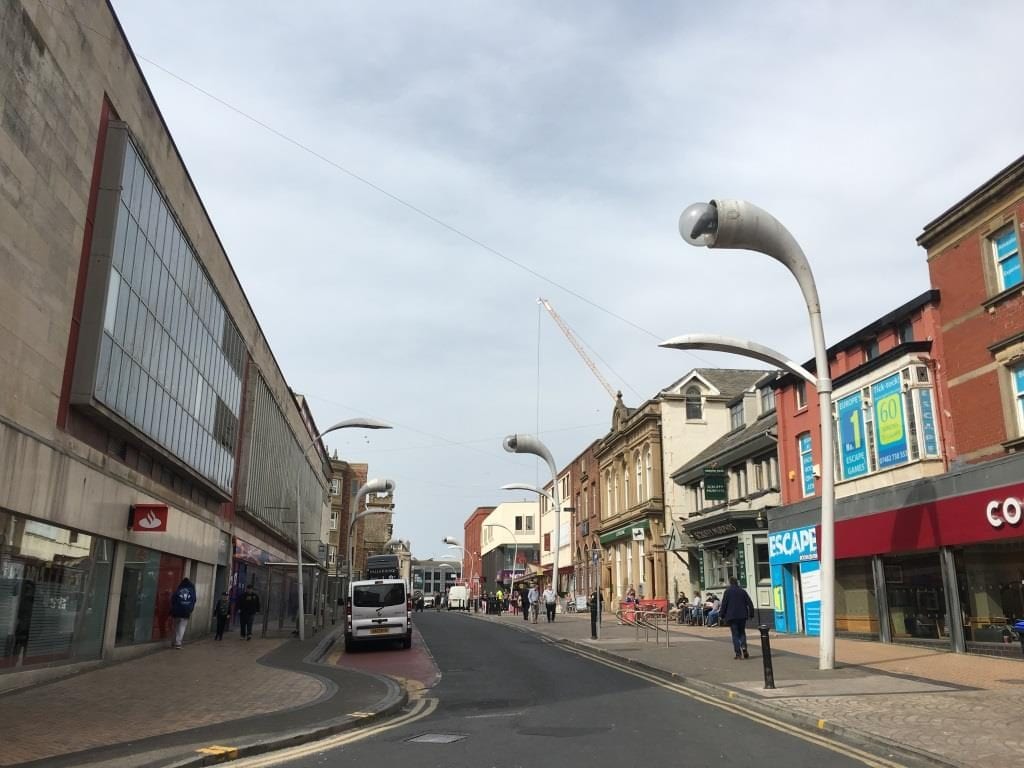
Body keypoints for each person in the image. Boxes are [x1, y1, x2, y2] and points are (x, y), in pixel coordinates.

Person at [719, 576, 756, 659]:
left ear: (730, 582)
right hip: (742, 615)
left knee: (735, 634)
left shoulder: (727, 592)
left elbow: (724, 604)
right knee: (742, 632)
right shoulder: (742, 591)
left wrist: (721, 615)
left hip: (732, 616)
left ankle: (738, 653)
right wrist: (751, 614)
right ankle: (744, 647)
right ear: (737, 582)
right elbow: (749, 603)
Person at [170, 577, 196, 649]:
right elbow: (194, 600)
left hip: (177, 611)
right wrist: (190, 609)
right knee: (182, 626)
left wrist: (173, 608)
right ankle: (178, 643)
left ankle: (173, 641)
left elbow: (173, 599)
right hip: (186, 611)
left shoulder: (179, 589)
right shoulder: (191, 590)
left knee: (175, 626)